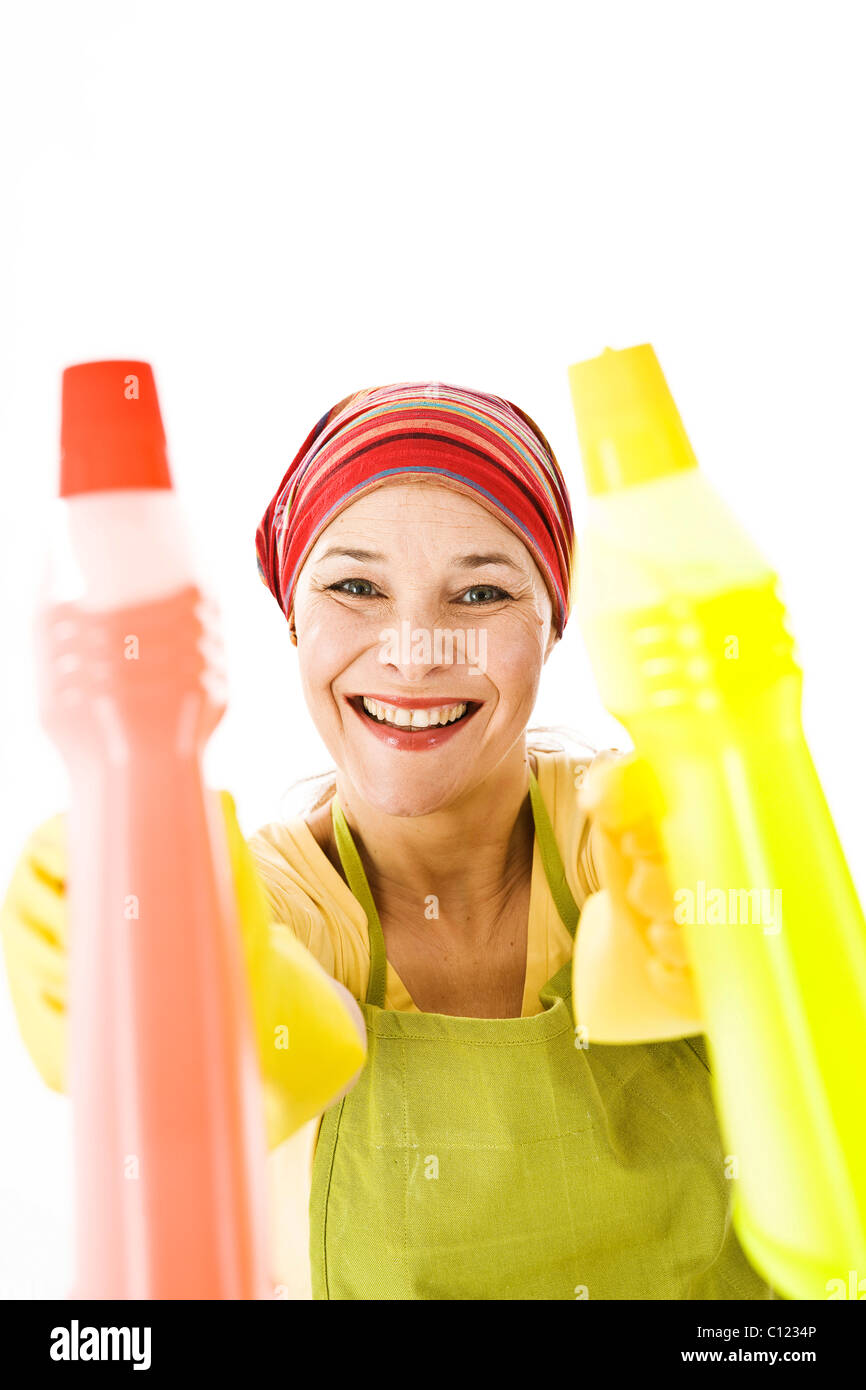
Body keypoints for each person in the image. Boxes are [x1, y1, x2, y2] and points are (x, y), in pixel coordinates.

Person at [1, 380, 778, 1300]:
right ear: (294, 616)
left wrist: (753, 908)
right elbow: (249, 1013)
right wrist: (149, 960)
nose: (415, 653)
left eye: (482, 591)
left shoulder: (628, 846)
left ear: (553, 625)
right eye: (356, 586)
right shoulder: (273, 904)